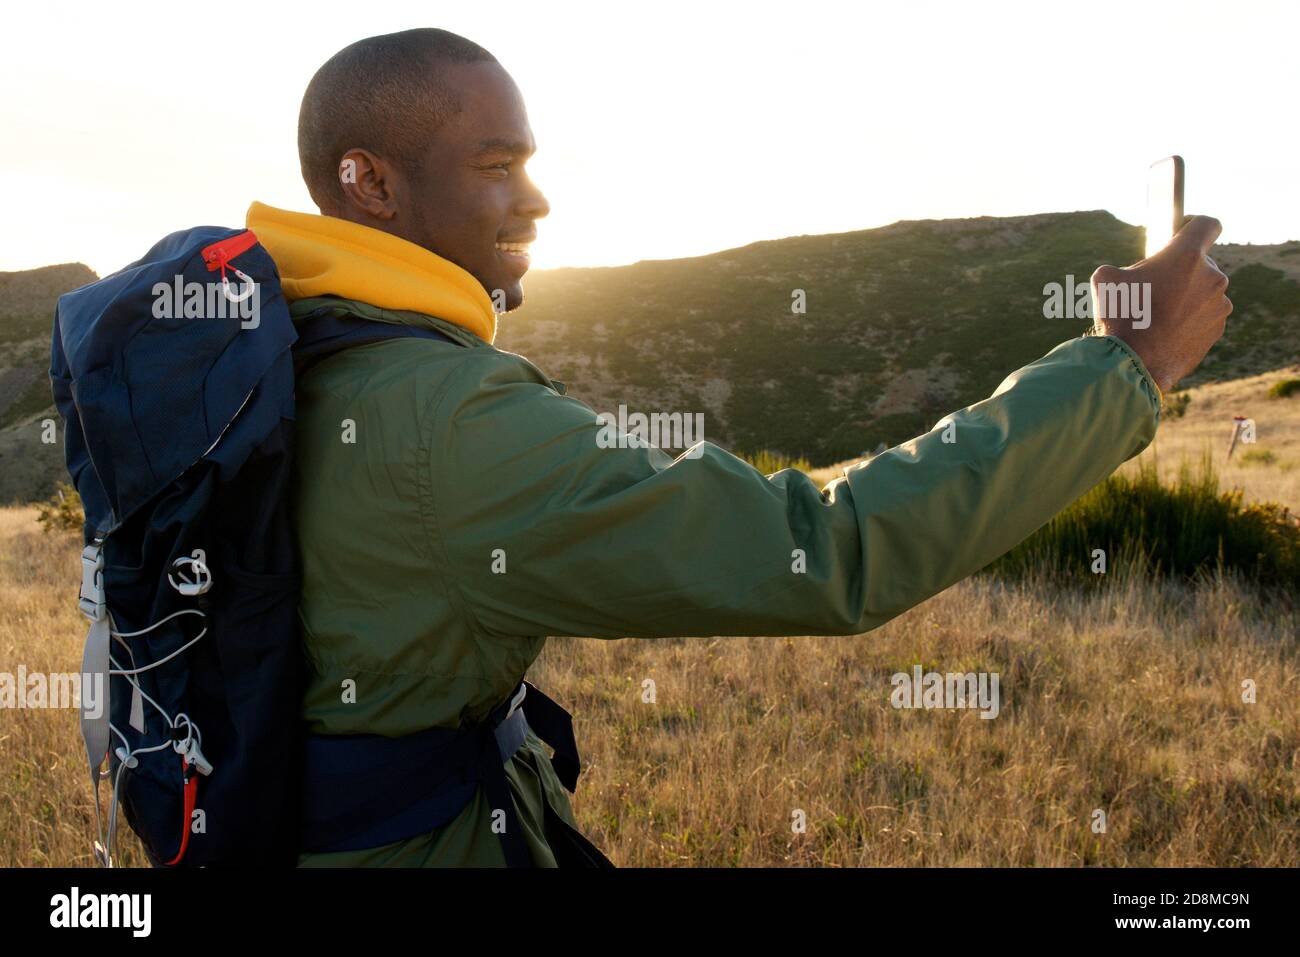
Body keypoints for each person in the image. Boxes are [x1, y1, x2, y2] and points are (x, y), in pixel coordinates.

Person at [250, 28, 1231, 866]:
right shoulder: (448, 420)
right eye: (497, 165)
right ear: (370, 182)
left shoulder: (291, 353)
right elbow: (823, 550)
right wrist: (1123, 367)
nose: (535, 200)